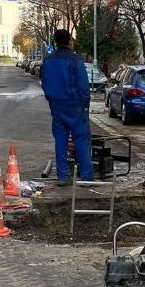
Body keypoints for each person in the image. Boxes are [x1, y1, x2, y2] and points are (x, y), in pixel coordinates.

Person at [40, 29, 92, 186]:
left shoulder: (48, 60)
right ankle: (86, 176)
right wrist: (85, 105)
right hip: (75, 105)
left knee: (60, 140)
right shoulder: (75, 60)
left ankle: (63, 176)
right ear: (69, 41)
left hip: (57, 105)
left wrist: (51, 99)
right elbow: (83, 84)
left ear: (56, 42)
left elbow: (44, 82)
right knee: (81, 140)